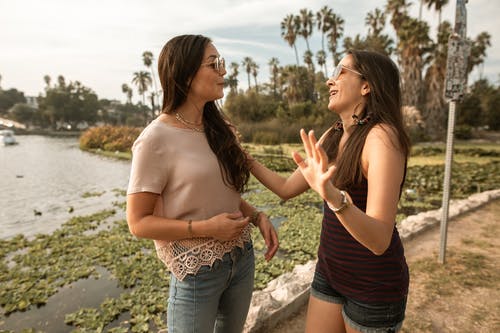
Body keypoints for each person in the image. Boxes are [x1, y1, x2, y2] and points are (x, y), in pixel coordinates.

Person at [248, 50, 410, 333]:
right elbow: (286, 188)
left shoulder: (381, 138)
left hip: (373, 285)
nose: (329, 80)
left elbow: (379, 240)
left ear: (366, 85)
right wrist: (242, 156)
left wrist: (333, 196)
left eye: (340, 71)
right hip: (330, 273)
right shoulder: (333, 134)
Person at [126, 34, 278, 333]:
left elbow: (221, 192)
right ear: (185, 73)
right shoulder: (154, 139)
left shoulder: (220, 129)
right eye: (214, 64)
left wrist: (257, 216)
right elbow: (138, 223)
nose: (223, 71)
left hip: (242, 257)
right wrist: (206, 228)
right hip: (197, 272)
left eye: (221, 63)